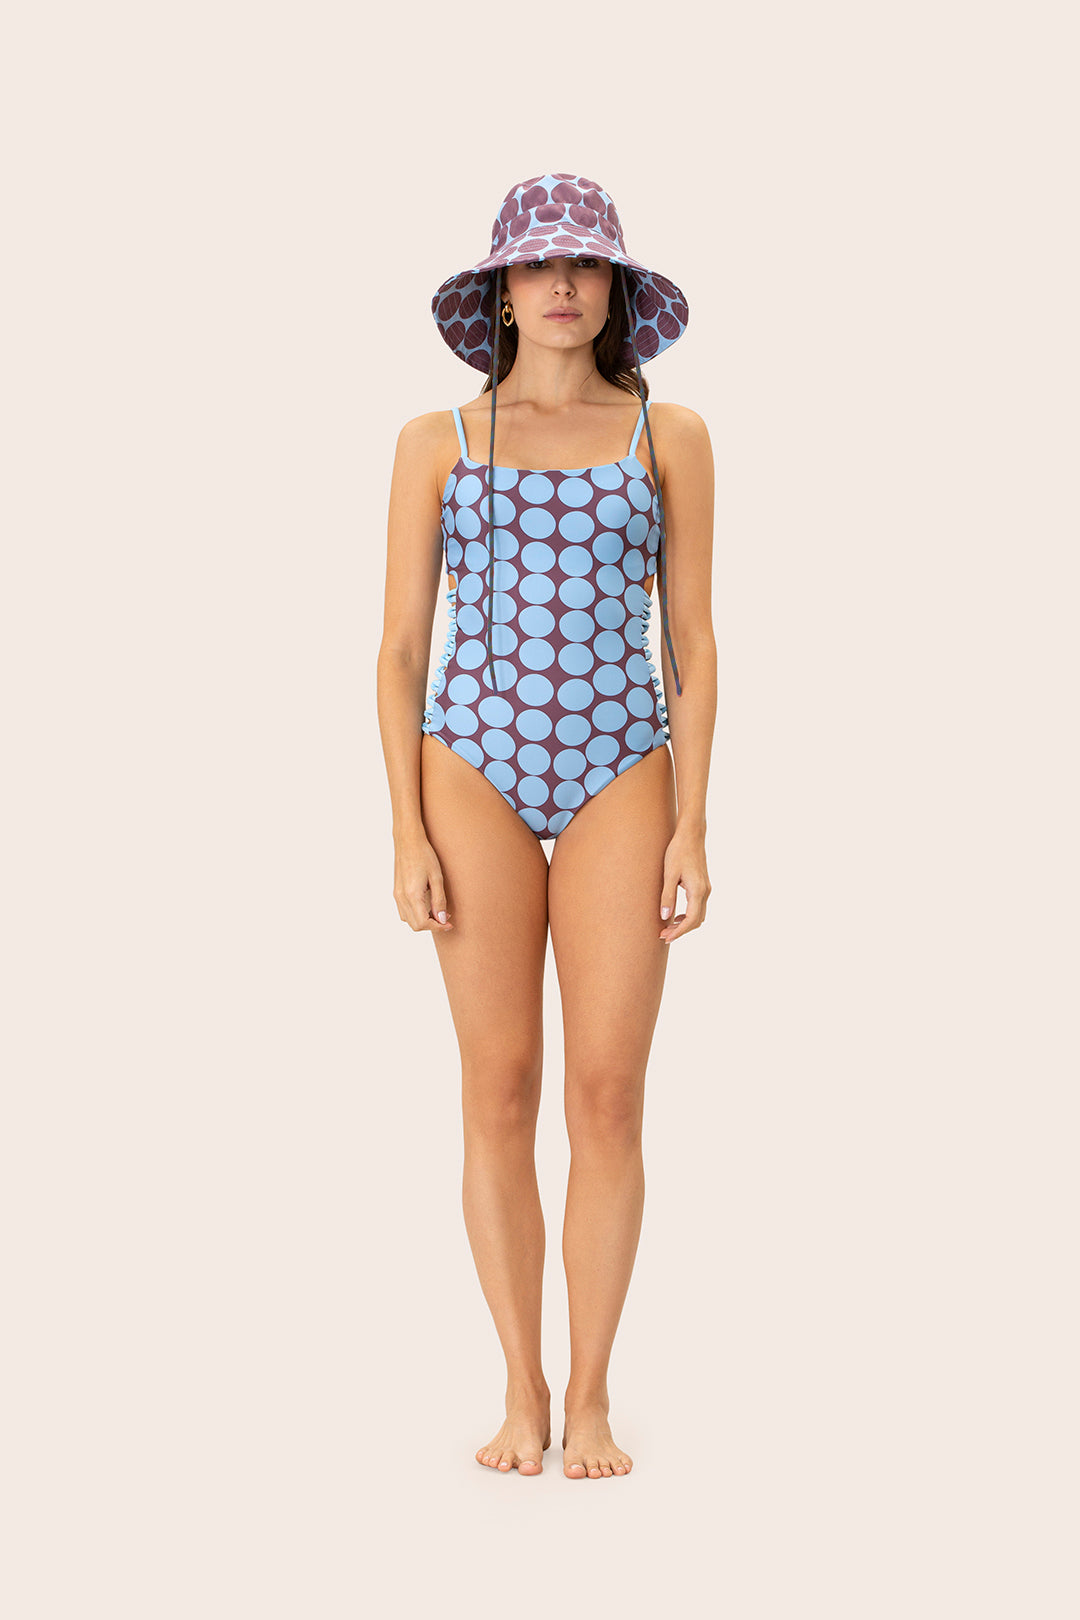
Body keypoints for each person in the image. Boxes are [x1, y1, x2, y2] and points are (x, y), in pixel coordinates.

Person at [377, 173, 716, 1479]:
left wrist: (695, 823)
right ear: (503, 294)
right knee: (501, 1085)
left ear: (615, 290)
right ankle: (521, 1390)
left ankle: (594, 1393)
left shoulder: (669, 436)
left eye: (584, 265)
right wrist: (404, 829)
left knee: (608, 1093)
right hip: (469, 765)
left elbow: (693, 643)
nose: (562, 284)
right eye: (536, 265)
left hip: (623, 765)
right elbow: (401, 650)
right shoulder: (438, 440)